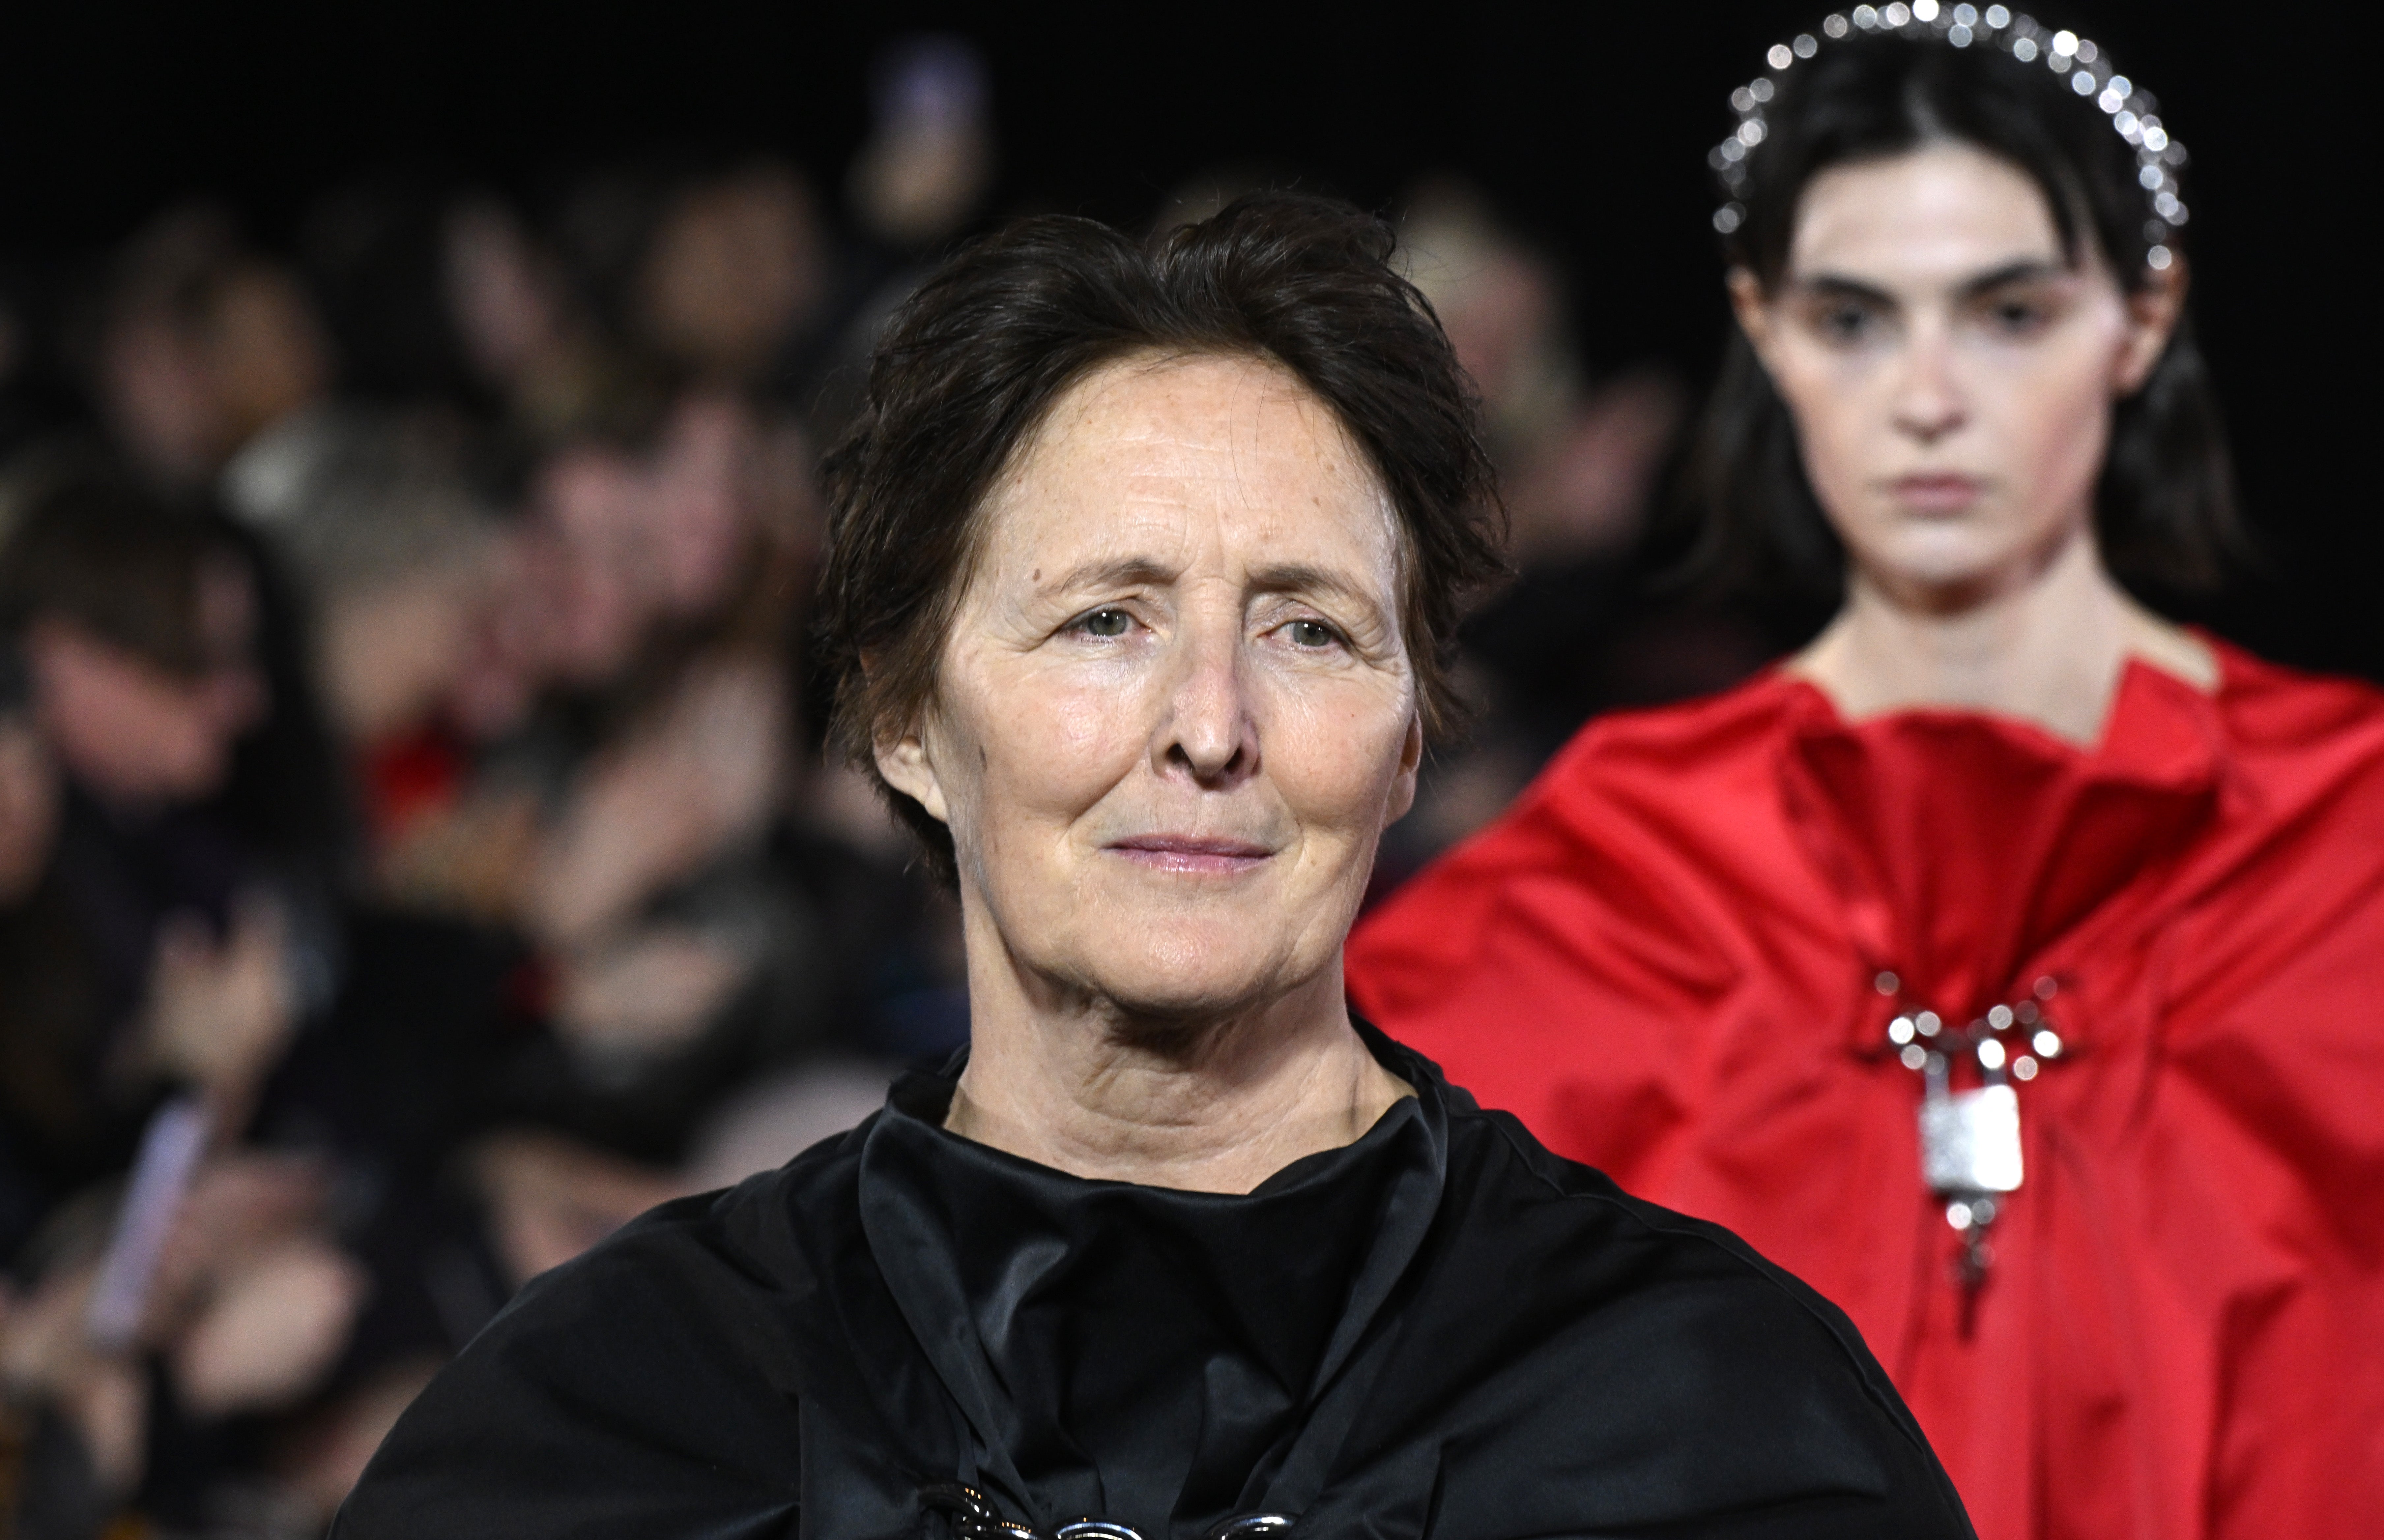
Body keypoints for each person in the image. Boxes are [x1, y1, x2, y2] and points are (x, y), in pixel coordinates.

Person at [334, 195, 1973, 1538]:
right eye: (1106, 618)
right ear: (905, 719)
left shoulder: (1700, 1424)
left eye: (1309, 629)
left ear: (1409, 740)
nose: (1210, 724)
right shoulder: (626, 1418)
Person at [1347, 12, 2384, 1540]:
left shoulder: (2349, 844)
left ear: (2142, 318)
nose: (1927, 397)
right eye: (1853, 318)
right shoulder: (1594, 885)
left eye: (2008, 313)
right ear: (1765, 329)